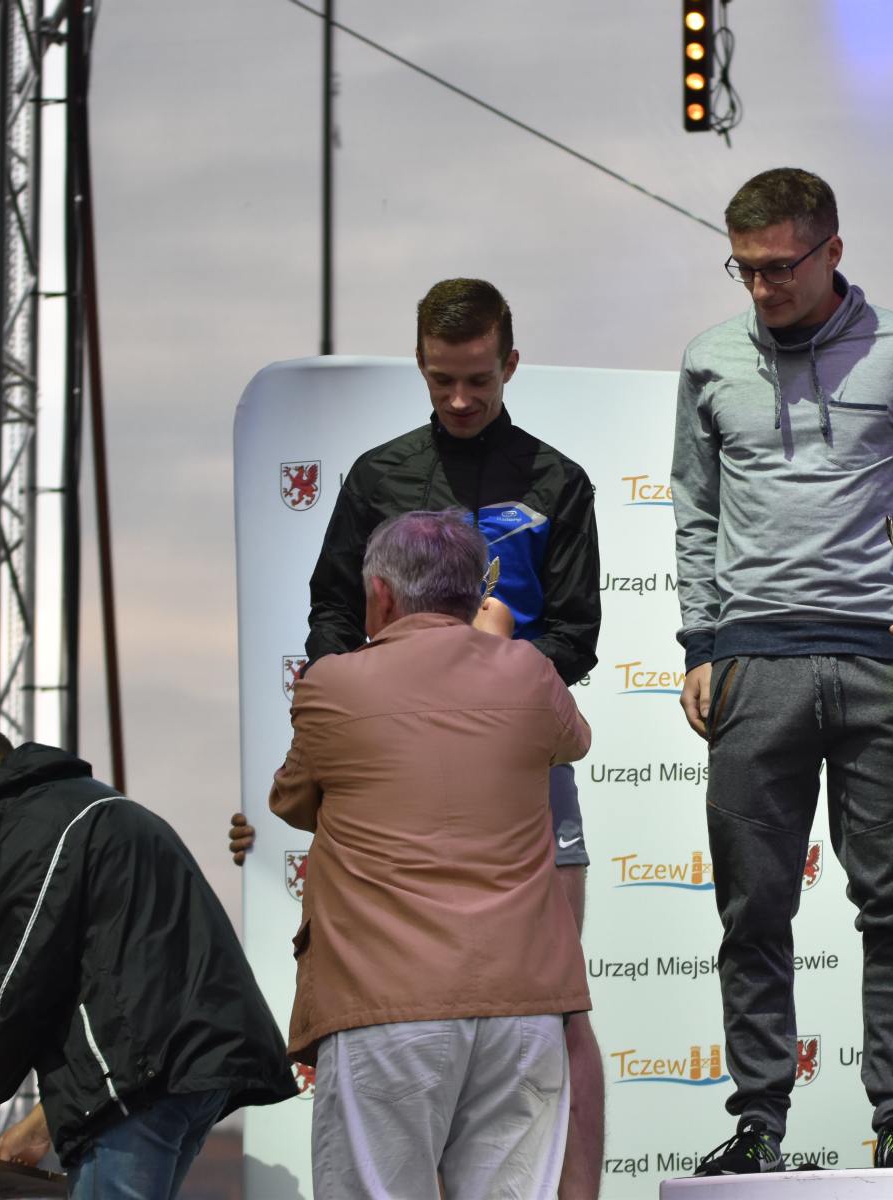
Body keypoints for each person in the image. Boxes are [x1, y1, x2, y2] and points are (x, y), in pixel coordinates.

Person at [231, 276, 606, 1198]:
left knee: (549, 1000)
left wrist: (492, 670)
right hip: (390, 748)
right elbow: (331, 605)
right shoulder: (378, 475)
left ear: (510, 364)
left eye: (478, 379)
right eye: (442, 381)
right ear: (420, 366)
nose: (460, 399)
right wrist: (371, 687)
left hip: (516, 748)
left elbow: (577, 634)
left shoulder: (559, 481)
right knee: (402, 991)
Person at [672, 166, 893, 1174]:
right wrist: (701, 645)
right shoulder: (709, 359)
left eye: (781, 267)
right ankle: (758, 1125)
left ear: (833, 250)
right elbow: (695, 511)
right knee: (753, 908)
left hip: (879, 659)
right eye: (745, 269)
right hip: (753, 660)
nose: (763, 287)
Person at [270, 509, 591, 1199]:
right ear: (477, 592)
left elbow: (292, 801)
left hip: (383, 1002)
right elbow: (573, 741)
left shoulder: (331, 683)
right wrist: (497, 650)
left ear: (381, 595)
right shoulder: (529, 671)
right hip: (520, 1003)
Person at [0, 715, 297, 1198]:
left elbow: (18, 977)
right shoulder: (92, 807)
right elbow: (115, 974)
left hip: (145, 1080)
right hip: (189, 1067)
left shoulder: (37, 823)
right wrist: (44, 1119)